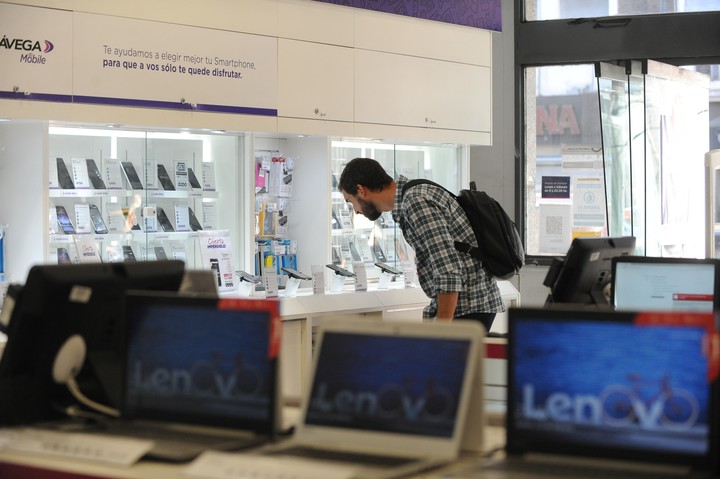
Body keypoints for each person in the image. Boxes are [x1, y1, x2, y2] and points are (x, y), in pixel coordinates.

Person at [338, 157, 504, 332]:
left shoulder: (415, 201)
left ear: (361, 190)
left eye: (350, 201)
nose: (355, 211)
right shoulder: (415, 193)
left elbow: (447, 269)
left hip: (467, 307)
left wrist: (442, 330)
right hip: (470, 305)